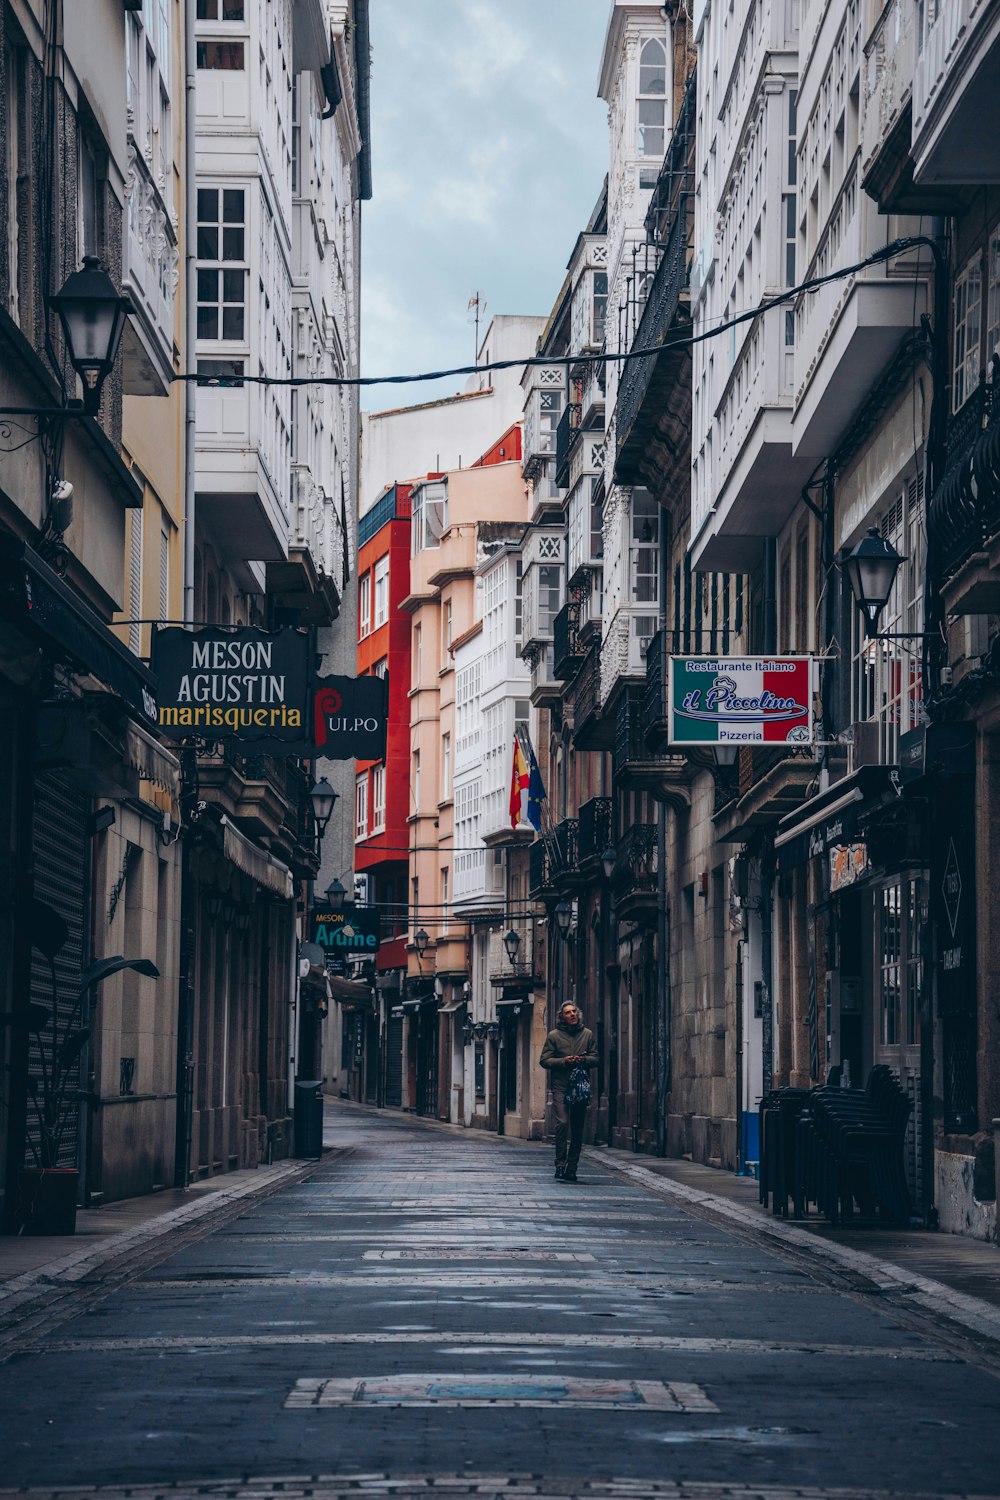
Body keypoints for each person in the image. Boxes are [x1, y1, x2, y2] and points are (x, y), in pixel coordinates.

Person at [539, 1001, 599, 1182]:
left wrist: (583, 1060)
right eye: (568, 1013)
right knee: (563, 1123)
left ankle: (572, 1168)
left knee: (578, 1129)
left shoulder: (587, 1034)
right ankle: (560, 1165)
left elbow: (595, 1058)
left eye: (574, 1011)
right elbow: (544, 1060)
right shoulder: (554, 1036)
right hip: (561, 1087)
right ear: (562, 1017)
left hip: (579, 1088)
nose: (572, 1015)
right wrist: (564, 1061)